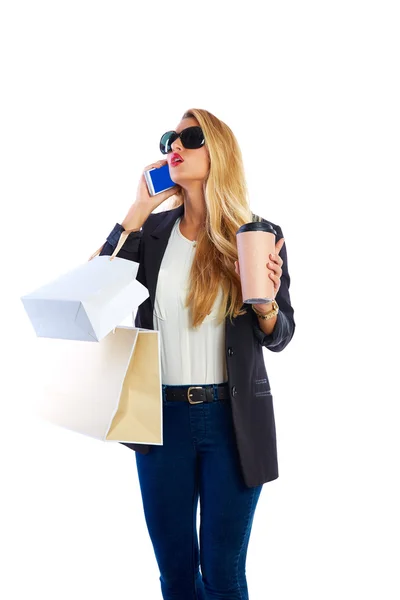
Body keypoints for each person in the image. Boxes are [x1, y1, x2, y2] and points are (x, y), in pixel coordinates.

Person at [93, 108, 296, 599]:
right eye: (169, 138)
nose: (173, 146)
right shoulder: (153, 233)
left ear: (220, 150)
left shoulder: (254, 233)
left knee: (224, 574)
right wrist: (137, 210)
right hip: (158, 420)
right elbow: (94, 295)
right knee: (177, 575)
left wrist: (265, 303)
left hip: (232, 421)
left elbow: (281, 334)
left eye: (189, 136)